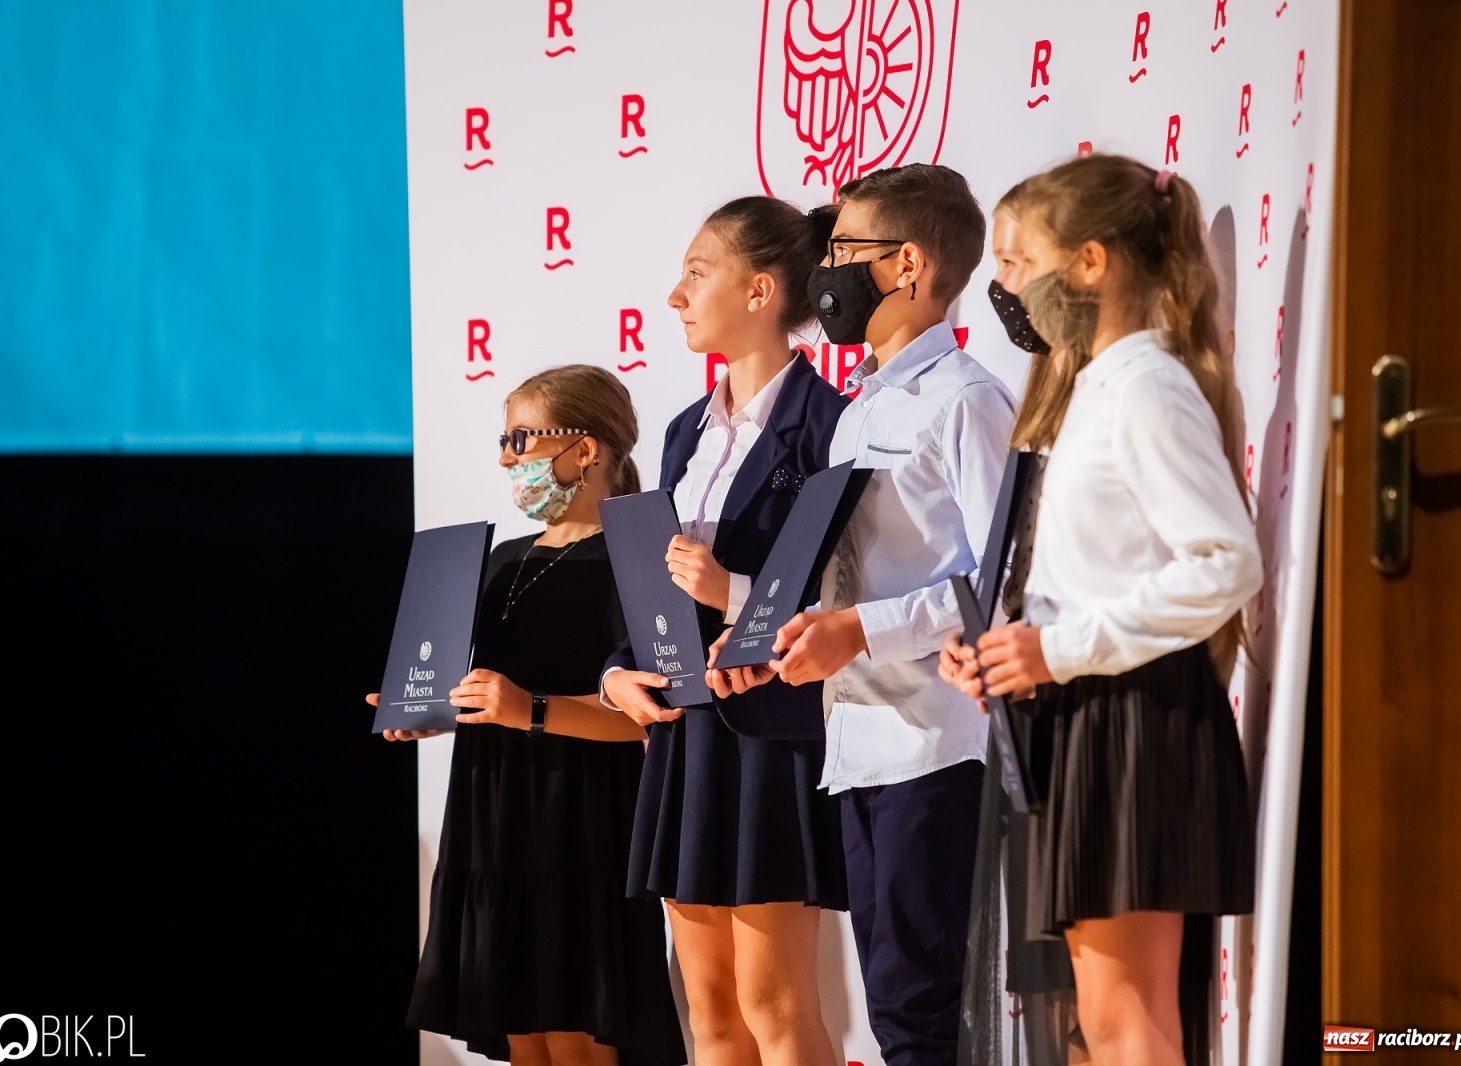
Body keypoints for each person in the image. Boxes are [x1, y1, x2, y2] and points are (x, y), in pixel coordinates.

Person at [943, 154, 1261, 1066]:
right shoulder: (1096, 386)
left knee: (1129, 1023)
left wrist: (1059, 648)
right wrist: (1011, 651)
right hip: (1088, 711)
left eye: (1021, 261)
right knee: (1099, 1020)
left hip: (1136, 719)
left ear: (1088, 264)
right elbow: (1092, 572)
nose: (1008, 286)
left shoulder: (1150, 386)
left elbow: (1225, 562)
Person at [711, 163, 1017, 1066]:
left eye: (845, 250)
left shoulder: (966, 400)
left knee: (923, 1013)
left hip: (937, 740)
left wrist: (862, 632)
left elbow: (999, 585)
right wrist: (776, 631)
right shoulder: (858, 411)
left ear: (909, 267)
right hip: (858, 741)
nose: (826, 271)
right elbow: (843, 572)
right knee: (891, 1012)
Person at [371, 365, 686, 1066]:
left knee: (576, 1032)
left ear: (585, 449)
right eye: (504, 441)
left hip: (581, 817)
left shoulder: (633, 556)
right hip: (497, 812)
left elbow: (648, 714)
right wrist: (430, 709)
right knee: (526, 1035)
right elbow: (490, 688)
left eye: (522, 439)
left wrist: (530, 710)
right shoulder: (502, 560)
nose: (508, 458)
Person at [600, 196, 850, 1066]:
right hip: (685, 730)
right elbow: (658, 584)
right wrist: (619, 673)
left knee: (774, 1005)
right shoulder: (683, 431)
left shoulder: (828, 423)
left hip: (770, 730)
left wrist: (735, 589)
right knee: (707, 1011)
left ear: (760, 290)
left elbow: (850, 587)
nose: (675, 294)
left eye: (696, 273)